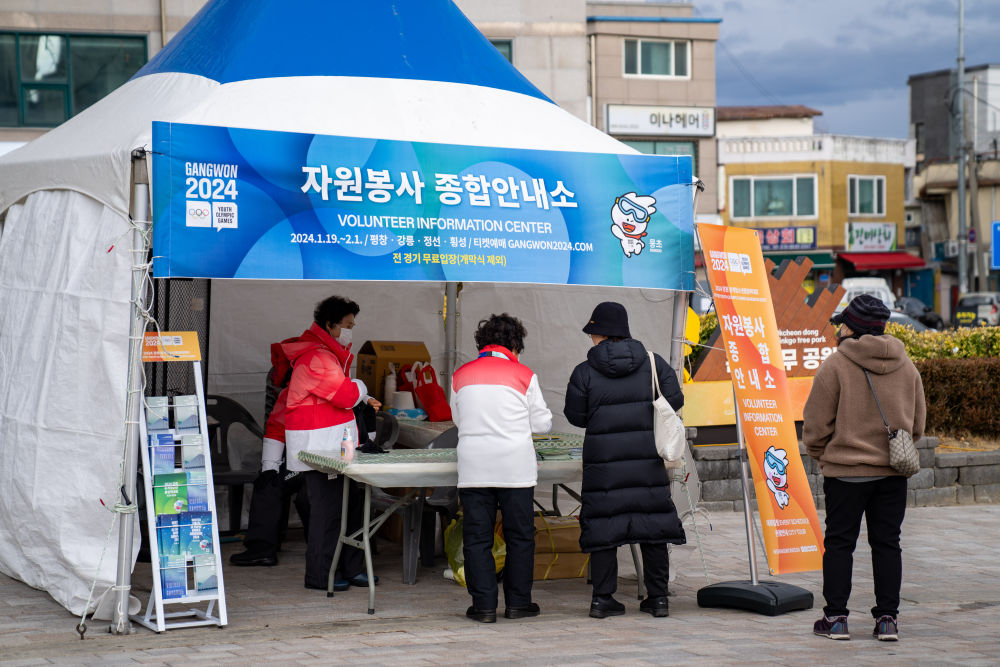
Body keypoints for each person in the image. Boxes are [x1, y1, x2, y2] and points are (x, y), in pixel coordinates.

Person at [804, 294, 925, 642]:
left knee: (840, 544)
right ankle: (887, 620)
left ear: (851, 327)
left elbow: (815, 425)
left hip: (845, 472)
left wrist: (823, 454)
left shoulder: (836, 365)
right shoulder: (906, 365)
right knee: (888, 544)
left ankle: (836, 619)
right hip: (892, 472)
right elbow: (917, 424)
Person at [563, 301, 686, 619]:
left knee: (604, 528)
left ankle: (603, 600)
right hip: (647, 462)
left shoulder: (584, 372)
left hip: (604, 466)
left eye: (593, 333)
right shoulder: (654, 364)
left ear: (600, 334)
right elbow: (675, 400)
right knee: (653, 526)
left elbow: (575, 417)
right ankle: (658, 599)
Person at [450, 313, 552, 623]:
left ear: (482, 343)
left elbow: (457, 418)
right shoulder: (524, 374)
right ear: (515, 345)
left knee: (477, 537)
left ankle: (483, 606)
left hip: (473, 467)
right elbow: (542, 424)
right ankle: (519, 603)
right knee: (520, 536)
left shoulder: (460, 374)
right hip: (515, 468)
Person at [282, 295, 382, 590]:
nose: (352, 330)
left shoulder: (328, 354)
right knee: (328, 514)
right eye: (348, 325)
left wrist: (357, 392)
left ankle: (350, 568)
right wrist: (361, 387)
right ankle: (321, 575)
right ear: (330, 324)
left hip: (334, 447)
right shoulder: (317, 357)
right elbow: (346, 395)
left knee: (351, 506)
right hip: (318, 450)